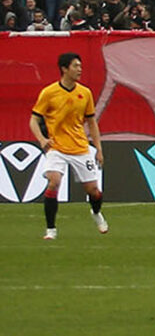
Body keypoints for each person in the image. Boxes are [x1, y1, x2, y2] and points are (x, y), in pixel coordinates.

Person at [29, 51, 105, 240]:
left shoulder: (85, 92)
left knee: (93, 191)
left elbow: (91, 122)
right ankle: (51, 230)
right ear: (64, 69)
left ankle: (96, 213)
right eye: (75, 66)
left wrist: (98, 149)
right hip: (57, 148)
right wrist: (42, 139)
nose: (80, 69)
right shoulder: (49, 93)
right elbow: (33, 119)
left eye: (80, 66)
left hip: (80, 147)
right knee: (54, 182)